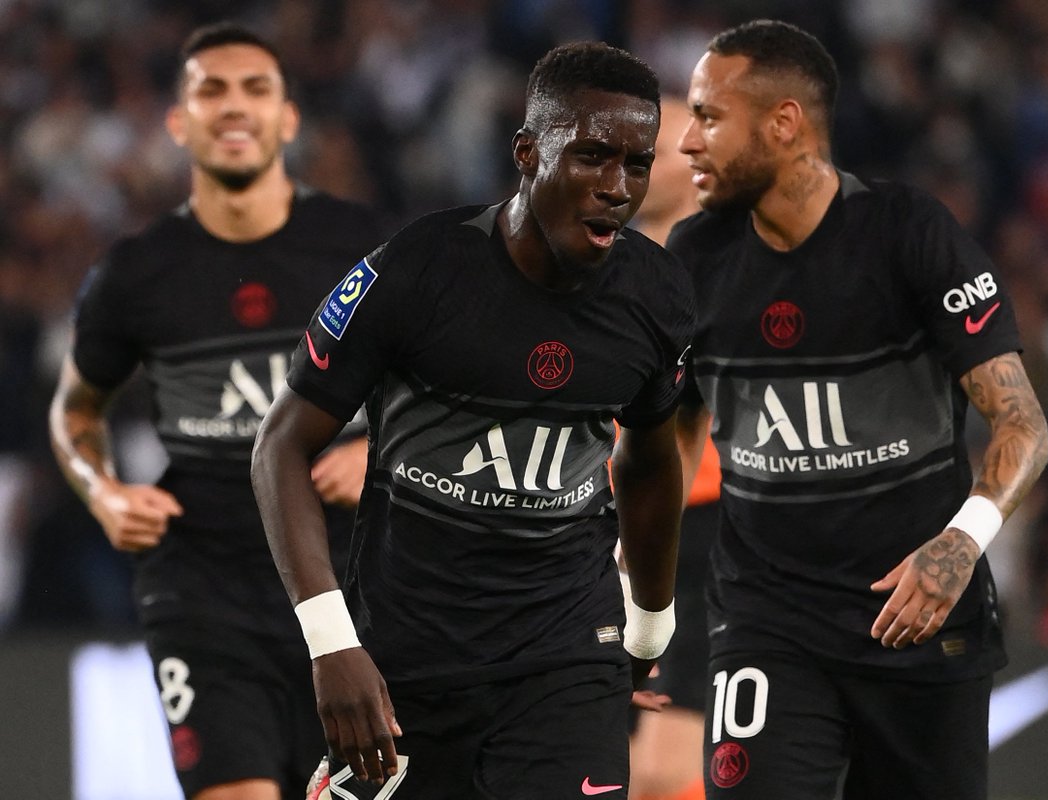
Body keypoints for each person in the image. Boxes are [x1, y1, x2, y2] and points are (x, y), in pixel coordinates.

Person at [251, 42, 694, 800]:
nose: (617, 188)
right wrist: (331, 644)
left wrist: (651, 622)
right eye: (592, 157)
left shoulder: (657, 296)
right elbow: (281, 447)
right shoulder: (416, 271)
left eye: (637, 164)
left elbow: (650, 459)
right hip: (406, 660)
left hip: (567, 653)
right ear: (527, 153)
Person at [669, 20, 1048, 800]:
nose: (687, 142)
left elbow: (1024, 425)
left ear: (783, 123)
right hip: (766, 620)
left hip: (920, 616)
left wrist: (959, 545)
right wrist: (632, 603)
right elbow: (663, 445)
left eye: (709, 116)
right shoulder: (693, 257)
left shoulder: (910, 235)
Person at [47, 23, 395, 800]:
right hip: (204, 591)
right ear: (179, 122)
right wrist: (102, 492)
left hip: (356, 587)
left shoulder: (364, 250)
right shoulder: (135, 273)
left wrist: (381, 451)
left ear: (288, 119)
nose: (234, 106)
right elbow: (76, 408)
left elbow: (445, 390)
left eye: (255, 89)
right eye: (212, 90)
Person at [627, 95, 711, 800]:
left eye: (651, 152)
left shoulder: (724, 265)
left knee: (664, 766)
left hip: (705, 528)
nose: (633, 164)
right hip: (615, 526)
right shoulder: (609, 268)